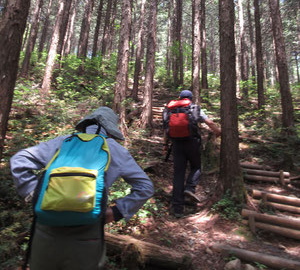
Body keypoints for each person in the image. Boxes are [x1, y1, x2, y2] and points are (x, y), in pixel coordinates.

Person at [10, 106, 154, 270]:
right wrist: (116, 212)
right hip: (87, 234)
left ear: (85, 124)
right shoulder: (116, 150)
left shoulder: (63, 142)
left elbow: (19, 160)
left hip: (46, 230)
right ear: (110, 129)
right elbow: (146, 187)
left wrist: (33, 195)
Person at [163, 90, 221, 218]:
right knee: (196, 166)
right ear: (190, 98)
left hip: (176, 144)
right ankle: (189, 188)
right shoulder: (193, 108)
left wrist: (165, 145)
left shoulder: (170, 109)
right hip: (192, 142)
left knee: (178, 174)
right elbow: (209, 122)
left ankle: (177, 208)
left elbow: (166, 129)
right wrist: (218, 132)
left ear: (179, 97)